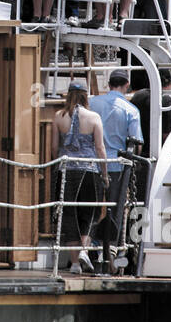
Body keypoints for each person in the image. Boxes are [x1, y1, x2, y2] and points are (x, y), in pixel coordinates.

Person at [89, 68, 143, 263]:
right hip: (118, 167)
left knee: (91, 208)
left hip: (92, 164)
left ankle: (89, 247)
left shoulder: (92, 103)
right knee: (116, 208)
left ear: (108, 84)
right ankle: (111, 249)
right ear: (126, 85)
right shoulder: (131, 110)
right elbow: (136, 143)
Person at [54, 81, 108, 274]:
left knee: (69, 215)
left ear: (68, 95)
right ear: (86, 96)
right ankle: (84, 250)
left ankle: (75, 263)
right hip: (89, 171)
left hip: (66, 170)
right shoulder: (94, 117)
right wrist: (105, 173)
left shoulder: (58, 117)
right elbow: (100, 148)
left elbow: (54, 147)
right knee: (89, 213)